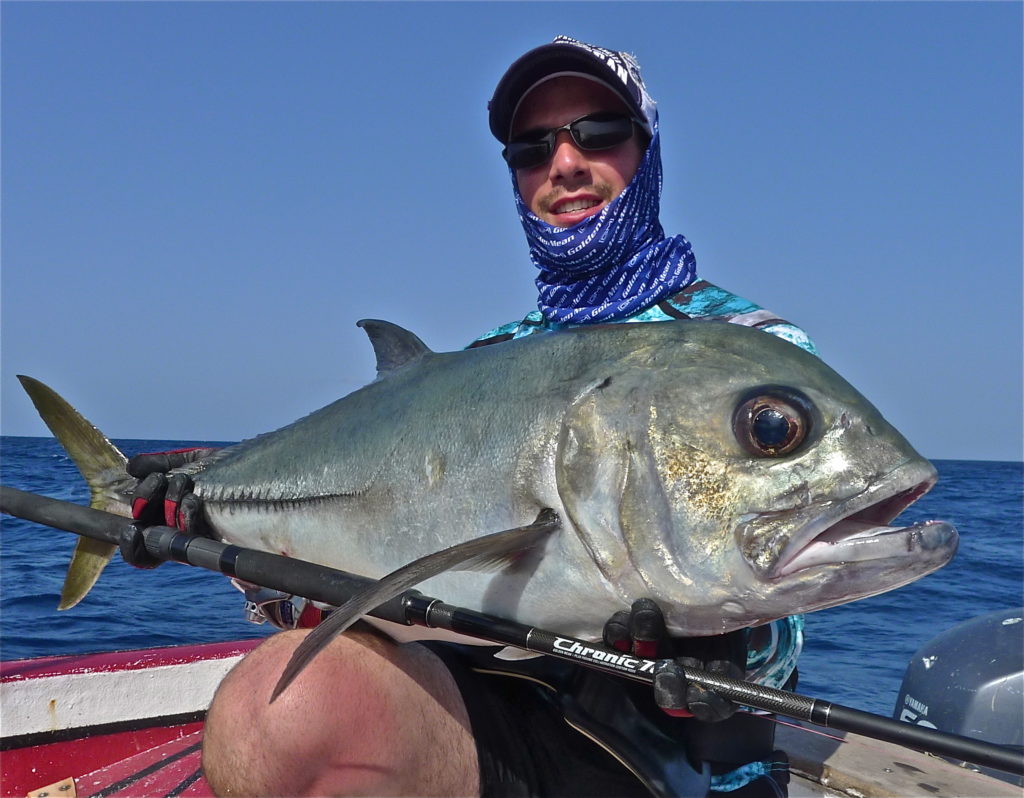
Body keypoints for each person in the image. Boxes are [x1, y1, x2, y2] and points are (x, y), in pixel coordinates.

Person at [135, 37, 816, 797]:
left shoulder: (748, 354)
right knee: (274, 709)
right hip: (502, 706)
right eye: (531, 148)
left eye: (599, 133)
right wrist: (213, 529)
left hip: (680, 759)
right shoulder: (489, 364)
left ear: (646, 149)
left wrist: (733, 645)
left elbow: (788, 583)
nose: (564, 164)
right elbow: (376, 559)